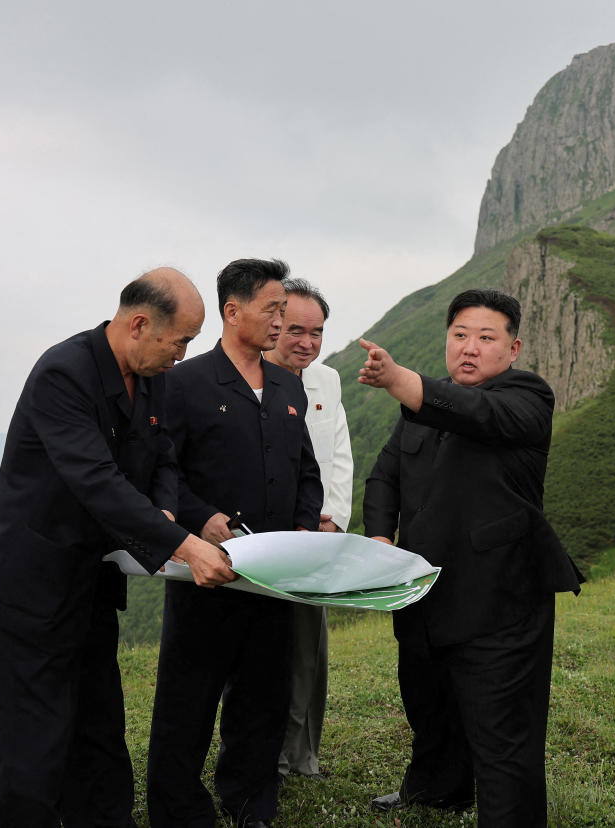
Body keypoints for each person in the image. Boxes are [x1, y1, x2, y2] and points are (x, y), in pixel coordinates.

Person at [0, 268, 236, 828]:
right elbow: (95, 481)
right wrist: (184, 544)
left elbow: (163, 454)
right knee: (33, 740)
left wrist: (163, 511)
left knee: (97, 727)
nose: (184, 354)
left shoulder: (153, 375)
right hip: (30, 583)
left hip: (91, 580)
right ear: (140, 324)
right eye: (181, 340)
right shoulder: (63, 373)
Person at [360, 288, 583, 827]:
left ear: (513, 348)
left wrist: (402, 381)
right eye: (460, 335)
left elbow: (476, 413)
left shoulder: (527, 397)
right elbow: (386, 474)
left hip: (498, 601)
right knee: (429, 704)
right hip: (420, 589)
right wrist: (381, 538)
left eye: (486, 338)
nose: (469, 348)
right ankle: (439, 788)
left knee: (503, 733)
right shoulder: (422, 406)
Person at [146, 258, 322, 828]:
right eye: (273, 309)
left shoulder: (288, 387)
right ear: (232, 310)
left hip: (273, 576)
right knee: (187, 700)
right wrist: (201, 518)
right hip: (207, 571)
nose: (281, 321)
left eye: (284, 311)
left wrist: (302, 528)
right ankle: (177, 808)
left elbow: (307, 470)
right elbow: (163, 469)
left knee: (262, 697)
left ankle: (251, 802)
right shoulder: (186, 383)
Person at [263, 279, 354, 781]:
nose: (307, 342)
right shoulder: (250, 378)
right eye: (295, 329)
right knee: (261, 651)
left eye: (316, 331)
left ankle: (303, 755)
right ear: (273, 325)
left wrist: (332, 517)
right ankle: (265, 755)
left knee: (307, 652)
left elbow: (339, 455)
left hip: (313, 540)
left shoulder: (327, 381)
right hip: (261, 538)